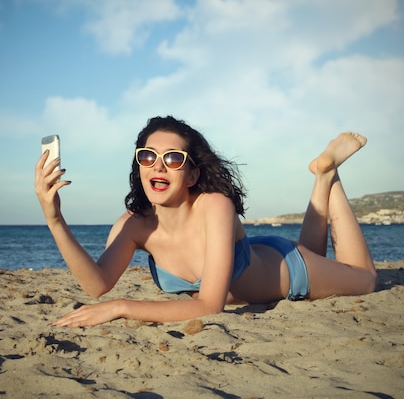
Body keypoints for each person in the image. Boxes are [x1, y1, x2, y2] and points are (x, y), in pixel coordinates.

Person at [35, 116, 377, 327]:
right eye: (148, 156)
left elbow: (210, 306)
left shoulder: (215, 205)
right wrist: (54, 218)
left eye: (173, 158)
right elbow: (97, 285)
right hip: (263, 259)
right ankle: (321, 178)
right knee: (314, 249)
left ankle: (329, 174)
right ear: (139, 166)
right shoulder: (132, 226)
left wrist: (122, 307)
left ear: (192, 173)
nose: (158, 165)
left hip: (291, 271)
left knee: (366, 279)